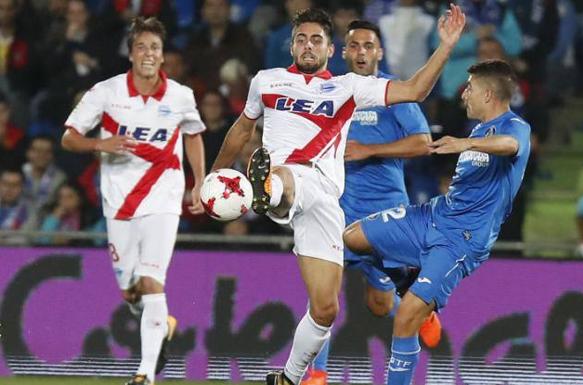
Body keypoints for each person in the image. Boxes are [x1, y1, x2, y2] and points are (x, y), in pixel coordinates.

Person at [210, 5, 466, 385]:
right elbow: (241, 130)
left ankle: (290, 377)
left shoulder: (348, 87)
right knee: (286, 175)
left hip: (330, 202)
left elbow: (415, 89)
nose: (308, 45)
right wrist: (216, 174)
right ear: (292, 47)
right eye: (301, 39)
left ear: (330, 50)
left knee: (326, 309)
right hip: (294, 180)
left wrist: (445, 47)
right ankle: (267, 188)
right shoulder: (267, 81)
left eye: (316, 40)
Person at [342, 59, 531, 385]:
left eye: (470, 88)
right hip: (433, 215)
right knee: (353, 236)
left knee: (404, 318)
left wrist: (465, 144)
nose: (464, 95)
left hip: (460, 240)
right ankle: (407, 282)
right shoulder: (479, 128)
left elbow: (510, 146)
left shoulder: (515, 127)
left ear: (487, 94)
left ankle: (416, 310)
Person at [61, 17, 206, 385]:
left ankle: (144, 375)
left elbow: (193, 135)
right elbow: (69, 138)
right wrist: (99, 144)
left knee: (152, 279)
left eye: (154, 48)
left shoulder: (180, 96)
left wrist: (199, 182)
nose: (148, 53)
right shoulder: (105, 93)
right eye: (141, 46)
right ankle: (165, 326)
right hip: (119, 203)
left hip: (163, 199)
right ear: (131, 53)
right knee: (131, 291)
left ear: (162, 56)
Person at [302, 20, 440, 385]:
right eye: (355, 46)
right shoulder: (331, 92)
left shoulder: (392, 94)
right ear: (343, 52)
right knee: (323, 294)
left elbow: (423, 142)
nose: (361, 52)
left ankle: (420, 306)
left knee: (379, 305)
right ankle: (316, 373)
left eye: (368, 45)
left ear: (379, 52)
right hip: (337, 211)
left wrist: (369, 150)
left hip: (385, 215)